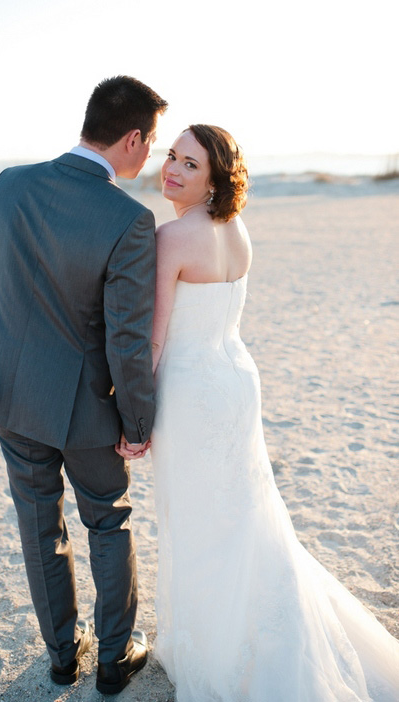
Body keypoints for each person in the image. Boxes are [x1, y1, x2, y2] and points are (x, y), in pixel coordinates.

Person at [150, 124, 399, 701]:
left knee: (197, 519)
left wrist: (132, 411)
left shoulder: (171, 237)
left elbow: (156, 338)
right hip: (236, 379)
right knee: (243, 515)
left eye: (190, 164)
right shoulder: (237, 230)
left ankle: (216, 645)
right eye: (171, 156)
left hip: (190, 390)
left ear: (213, 179)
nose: (173, 170)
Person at [0, 75, 167, 695]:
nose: (151, 154)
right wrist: (138, 425)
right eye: (152, 141)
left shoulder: (9, 183)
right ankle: (113, 659)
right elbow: (126, 341)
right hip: (86, 409)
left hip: (11, 393)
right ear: (132, 138)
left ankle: (61, 655)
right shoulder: (130, 220)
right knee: (107, 520)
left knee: (37, 523)